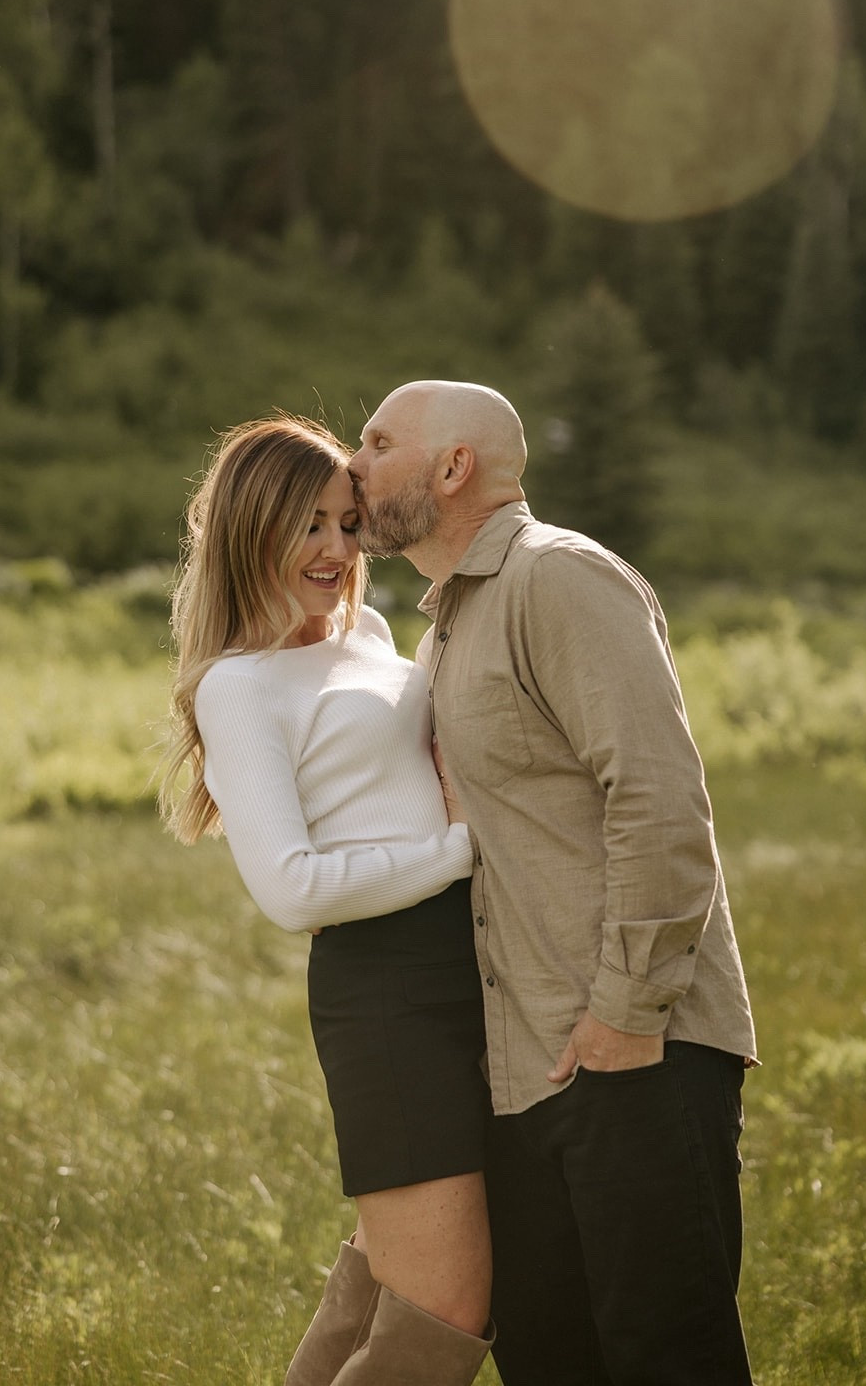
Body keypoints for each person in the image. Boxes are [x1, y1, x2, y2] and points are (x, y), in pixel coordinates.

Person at [349, 380, 758, 1386]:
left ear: (452, 469)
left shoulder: (555, 578)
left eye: (376, 441)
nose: (350, 464)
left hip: (635, 1051)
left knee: (667, 1359)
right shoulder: (447, 628)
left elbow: (659, 800)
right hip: (525, 1069)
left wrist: (623, 1012)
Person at [159, 414, 495, 1386]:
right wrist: (462, 850)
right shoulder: (236, 686)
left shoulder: (373, 633)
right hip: (384, 990)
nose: (335, 550)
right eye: (307, 525)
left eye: (347, 524)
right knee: (446, 1308)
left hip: (467, 965)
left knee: (389, 1283)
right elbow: (290, 888)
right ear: (247, 528)